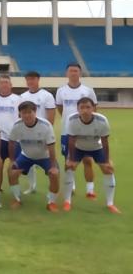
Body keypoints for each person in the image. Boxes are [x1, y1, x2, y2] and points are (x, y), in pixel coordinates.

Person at [63, 98, 120, 213]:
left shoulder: (102, 120)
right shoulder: (72, 119)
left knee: (108, 169)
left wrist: (107, 160)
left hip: (96, 148)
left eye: (88, 107)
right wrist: (71, 160)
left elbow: (105, 142)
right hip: (78, 148)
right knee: (69, 168)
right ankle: (67, 202)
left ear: (93, 108)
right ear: (78, 109)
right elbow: (71, 141)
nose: (85, 110)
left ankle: (110, 204)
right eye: (82, 108)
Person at [8, 101, 59, 212]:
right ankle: (17, 199)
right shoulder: (17, 125)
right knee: (12, 172)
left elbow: (51, 146)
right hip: (26, 156)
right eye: (23, 113)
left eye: (29, 112)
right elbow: (11, 142)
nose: (27, 115)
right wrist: (12, 160)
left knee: (54, 175)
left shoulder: (45, 125)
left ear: (35, 112)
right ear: (20, 114)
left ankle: (51, 203)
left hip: (45, 156)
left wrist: (53, 166)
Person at [55, 63, 97, 198]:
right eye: (71, 71)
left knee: (87, 159)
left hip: (85, 131)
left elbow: (94, 109)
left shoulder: (88, 90)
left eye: (76, 71)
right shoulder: (61, 91)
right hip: (67, 131)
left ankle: (90, 189)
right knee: (69, 160)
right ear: (66, 73)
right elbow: (60, 108)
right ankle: (71, 186)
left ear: (80, 73)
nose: (73, 73)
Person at [19, 70, 56, 194]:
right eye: (28, 79)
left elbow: (51, 117)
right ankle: (32, 186)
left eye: (33, 79)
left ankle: (51, 191)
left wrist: (47, 135)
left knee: (47, 163)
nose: (30, 81)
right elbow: (20, 116)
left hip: (43, 135)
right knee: (29, 160)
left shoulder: (47, 96)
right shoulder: (23, 97)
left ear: (38, 80)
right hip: (28, 135)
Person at [0, 75, 21, 191]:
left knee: (14, 166)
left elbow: (22, 117)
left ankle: (15, 192)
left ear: (11, 85)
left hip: (14, 138)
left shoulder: (18, 99)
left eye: (6, 82)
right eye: (1, 83)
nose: (4, 85)